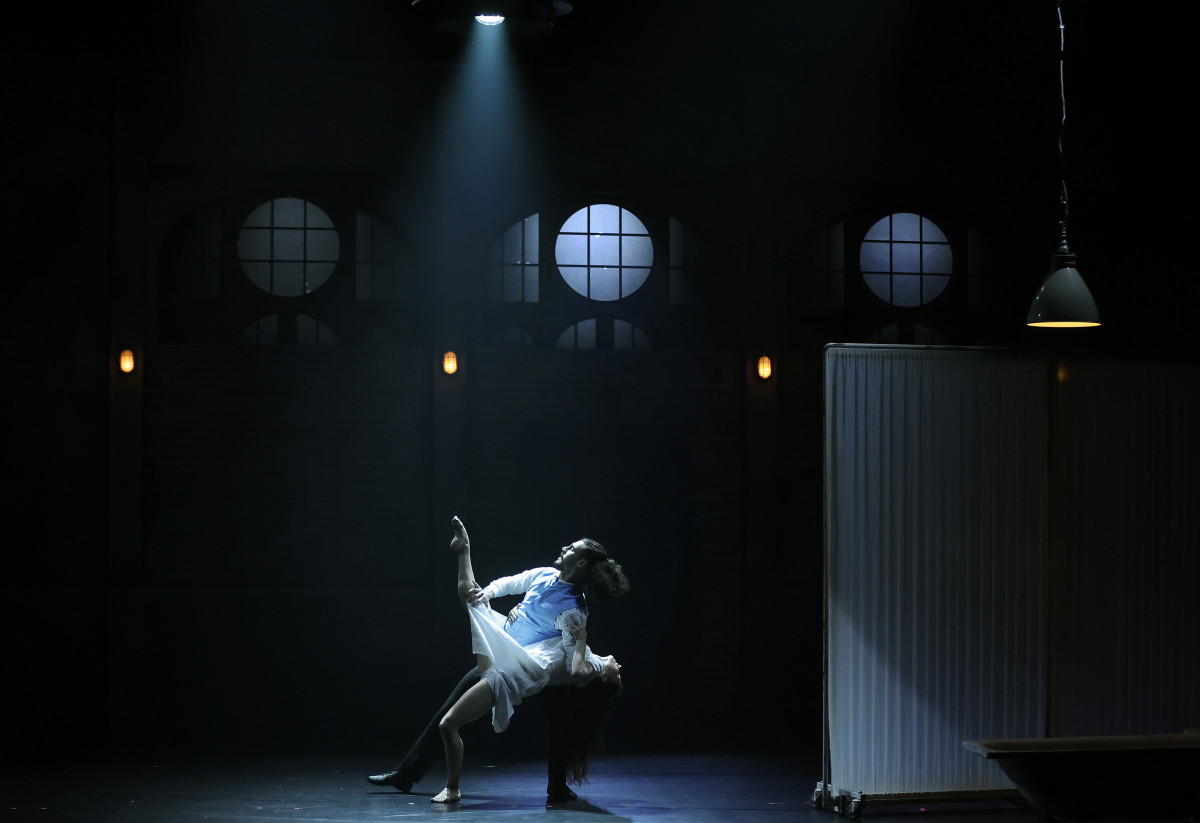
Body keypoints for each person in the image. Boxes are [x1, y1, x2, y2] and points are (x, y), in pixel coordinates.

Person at [368, 516, 628, 804]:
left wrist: (575, 651)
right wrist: (489, 592)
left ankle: (557, 788)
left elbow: (570, 661)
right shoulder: (545, 574)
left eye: (572, 549)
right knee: (451, 708)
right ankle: (406, 773)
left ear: (581, 563)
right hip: (507, 652)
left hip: (536, 667)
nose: (565, 547)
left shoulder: (574, 609)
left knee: (561, 725)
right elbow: (511, 582)